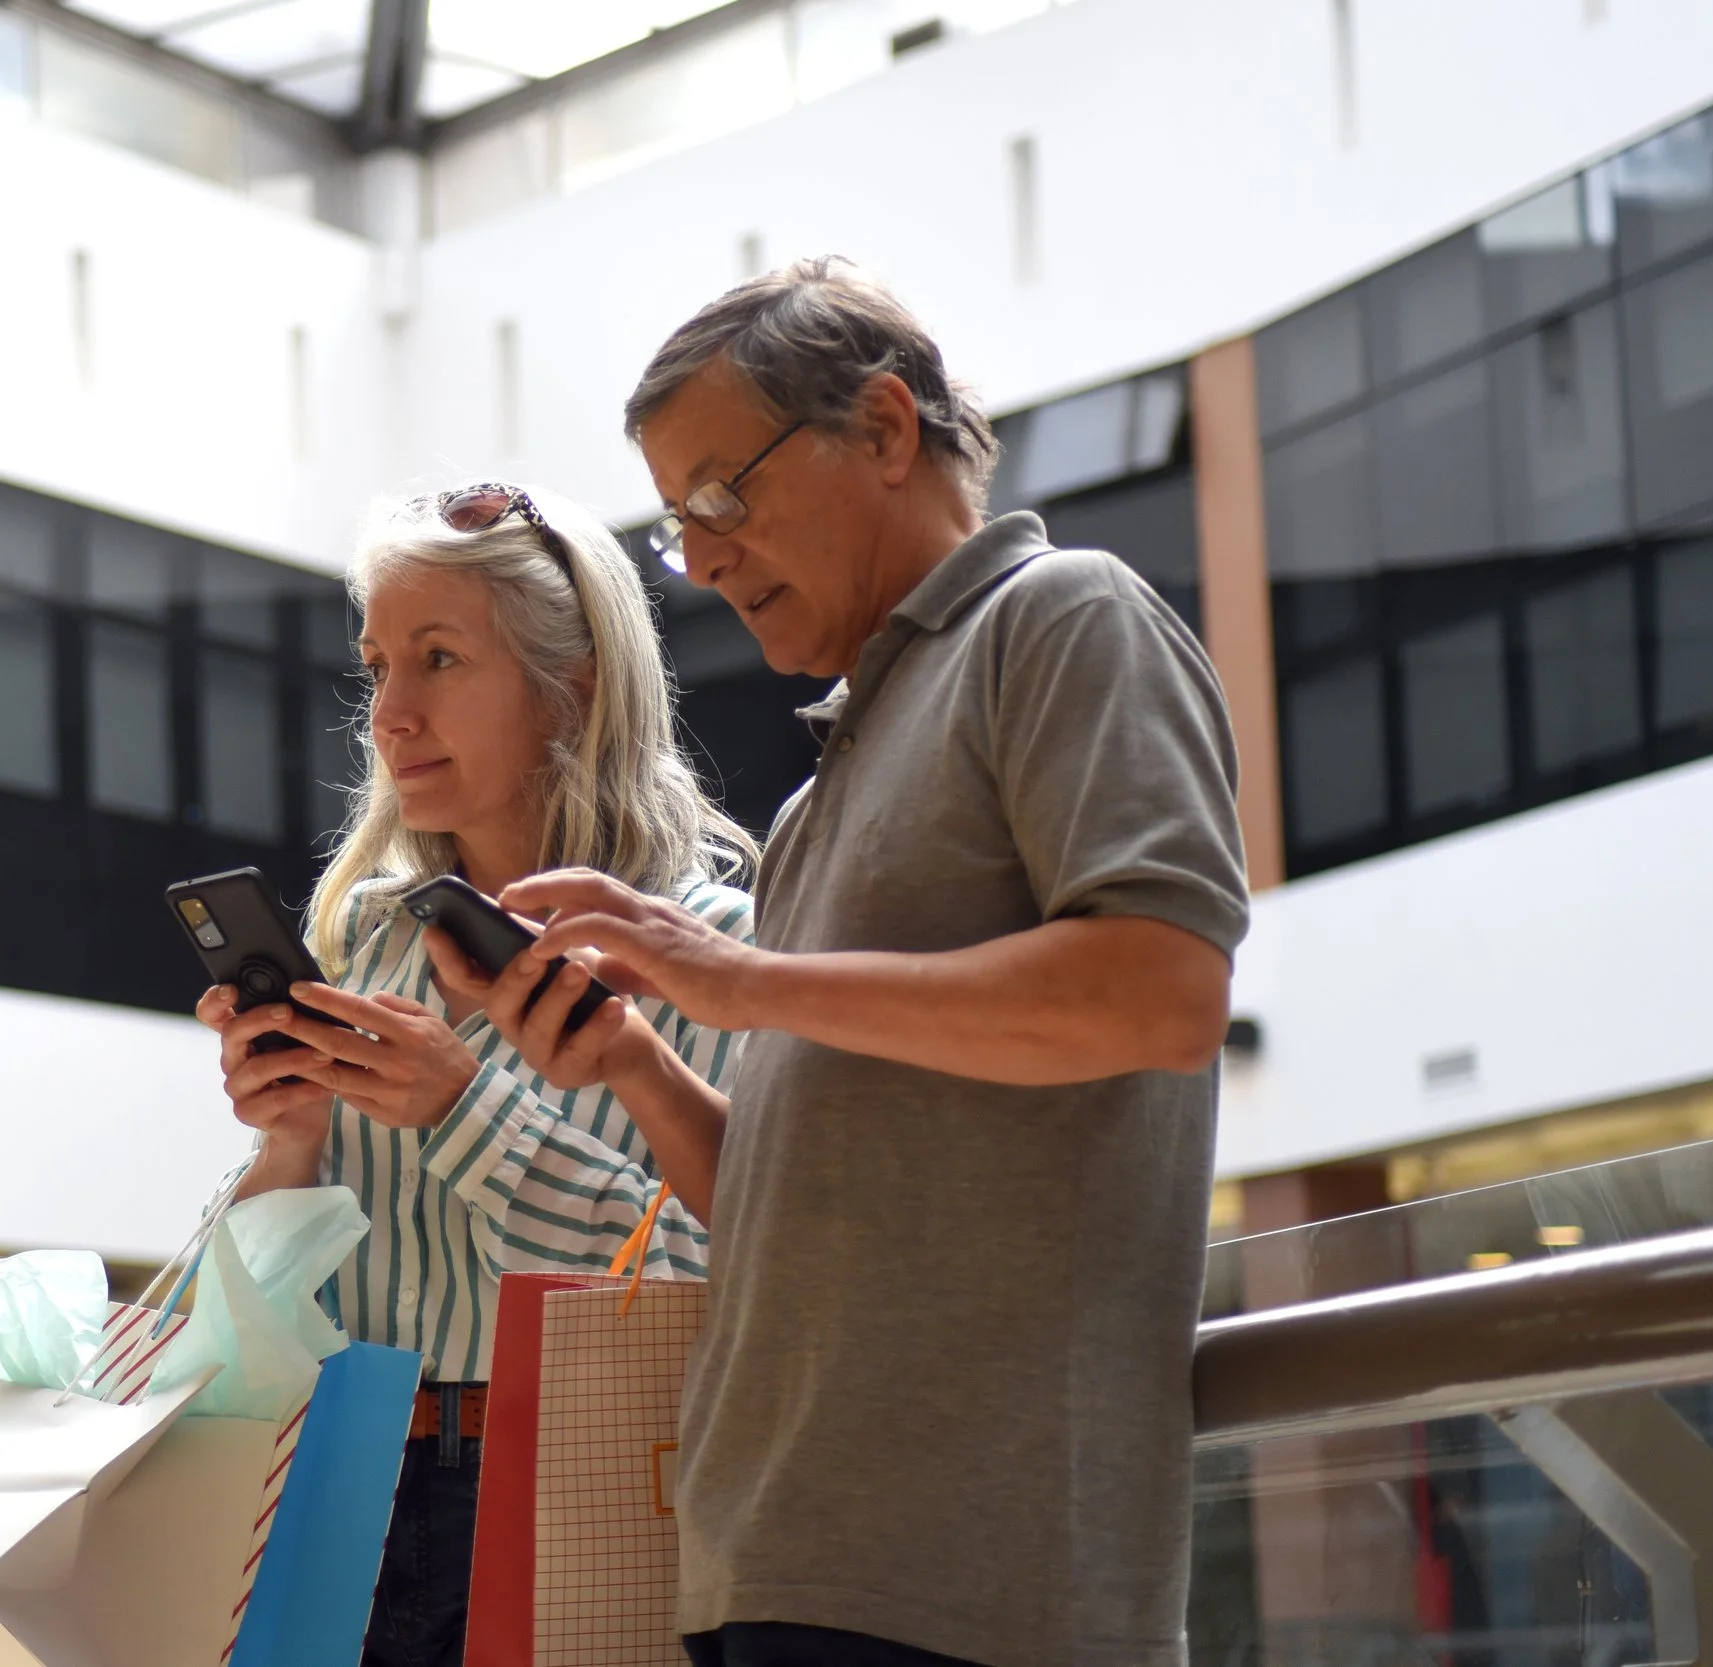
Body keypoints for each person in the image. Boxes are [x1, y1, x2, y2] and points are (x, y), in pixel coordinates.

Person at [471, 258, 1252, 1667]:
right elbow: (799, 1201)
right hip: (777, 1565)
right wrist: (641, 1065)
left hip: (970, 1581)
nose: (700, 558)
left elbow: (1165, 991)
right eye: (676, 523)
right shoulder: (815, 796)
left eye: (722, 495)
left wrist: (735, 978)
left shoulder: (1064, 615)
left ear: (886, 429)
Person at [195, 481, 757, 1667]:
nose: (389, 713)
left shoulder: (717, 953)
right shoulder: (363, 947)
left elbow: (727, 1285)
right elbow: (241, 1329)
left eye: (439, 658)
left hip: (587, 1480)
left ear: (578, 682)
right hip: (335, 1481)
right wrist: (284, 1148)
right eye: (377, 666)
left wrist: (467, 1111)